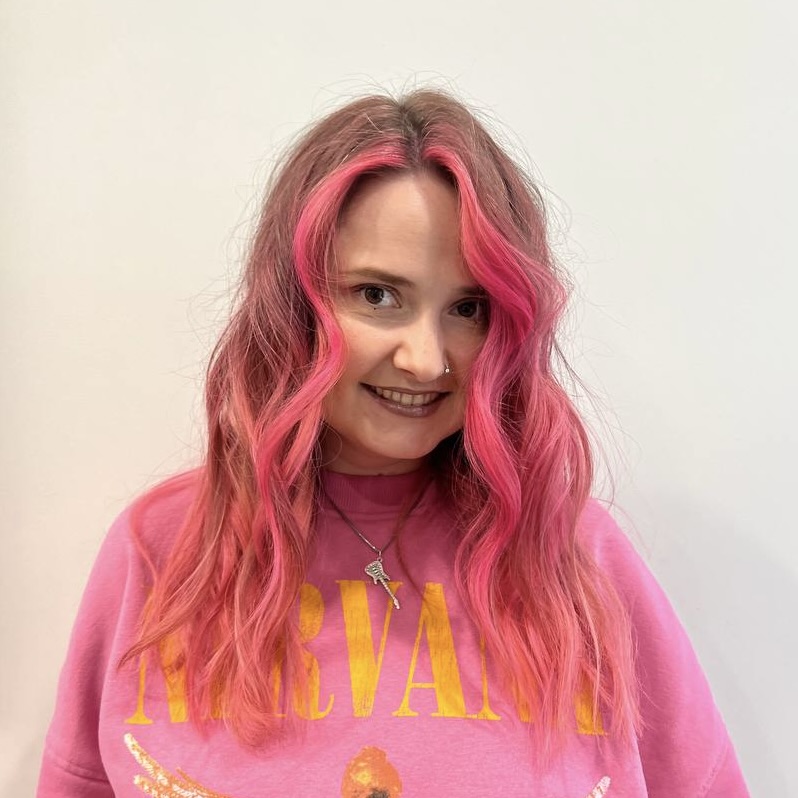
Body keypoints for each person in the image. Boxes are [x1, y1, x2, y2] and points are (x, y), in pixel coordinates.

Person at [37, 90, 749, 798]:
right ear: (294, 304)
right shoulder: (163, 554)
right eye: (378, 295)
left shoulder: (574, 557)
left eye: (468, 308)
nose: (426, 360)